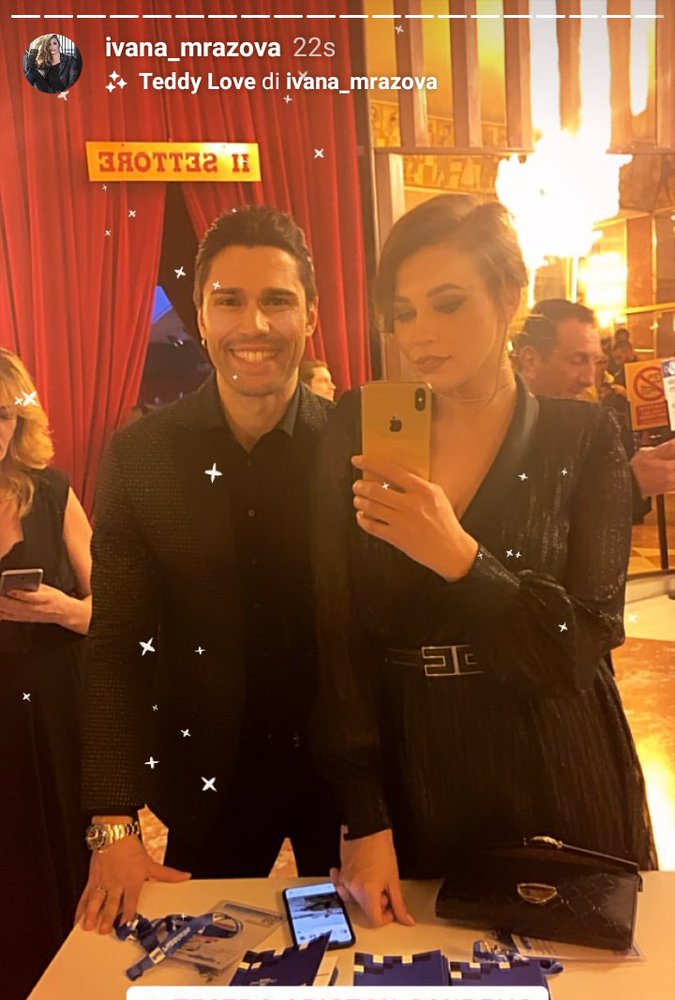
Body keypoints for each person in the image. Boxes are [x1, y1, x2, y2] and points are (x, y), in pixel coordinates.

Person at [313, 195, 656, 929]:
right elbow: (335, 634)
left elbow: (582, 644)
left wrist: (464, 561)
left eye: (447, 304)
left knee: (576, 977)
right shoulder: (361, 424)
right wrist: (364, 816)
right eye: (404, 313)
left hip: (553, 754)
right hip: (416, 759)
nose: (420, 334)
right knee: (420, 982)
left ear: (510, 296)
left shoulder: (581, 436)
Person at [78, 206, 340, 936]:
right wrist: (112, 820)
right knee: (213, 974)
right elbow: (117, 642)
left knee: (356, 972)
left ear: (310, 315)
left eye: (277, 300)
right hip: (208, 780)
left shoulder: (354, 446)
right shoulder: (142, 455)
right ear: (200, 315)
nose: (253, 323)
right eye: (229, 300)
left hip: (348, 782)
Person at [0, 349, 92, 1000]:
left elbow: (113, 610)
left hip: (55, 710)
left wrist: (62, 608)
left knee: (60, 852)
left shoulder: (53, 490)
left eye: (4, 415)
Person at [519, 301, 674, 502]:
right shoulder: (502, 427)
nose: (589, 379)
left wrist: (629, 480)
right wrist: (629, 485)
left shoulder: (580, 425)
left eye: (597, 362)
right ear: (531, 361)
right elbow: (535, 508)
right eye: (577, 360)